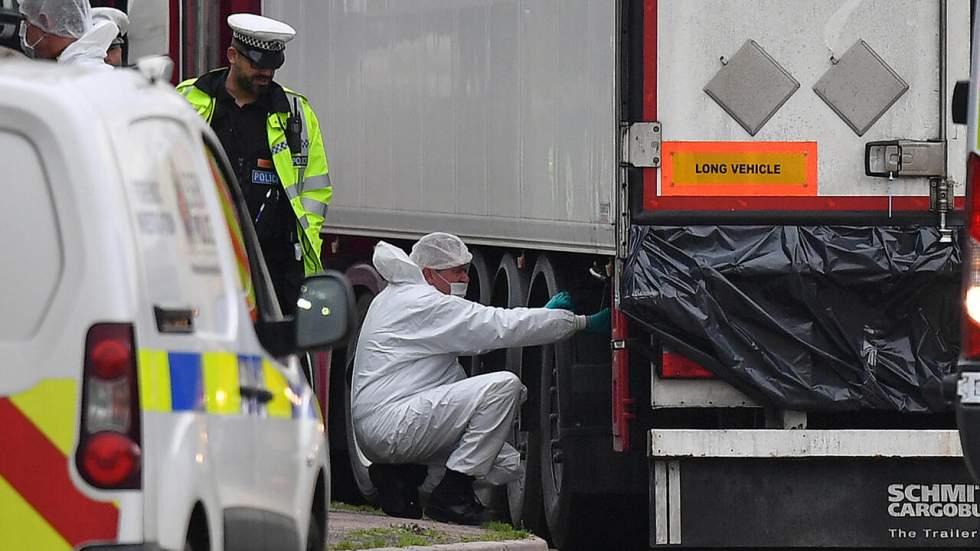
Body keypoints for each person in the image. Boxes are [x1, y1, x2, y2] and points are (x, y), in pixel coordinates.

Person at [351, 233, 610, 525]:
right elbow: (495, 326)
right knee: (503, 388)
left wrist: (540, 316)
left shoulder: (397, 296)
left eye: (466, 269)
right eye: (457, 271)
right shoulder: (422, 302)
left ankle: (404, 480)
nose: (466, 277)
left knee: (505, 463)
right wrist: (580, 322)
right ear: (428, 273)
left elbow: (475, 338)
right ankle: (451, 497)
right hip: (392, 425)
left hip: (387, 426)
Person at [177, 14, 331, 315]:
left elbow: (316, 187)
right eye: (257, 63)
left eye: (273, 65)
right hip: (202, 261)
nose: (266, 72)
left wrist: (303, 239)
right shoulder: (186, 101)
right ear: (232, 55)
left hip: (274, 265)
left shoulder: (296, 112)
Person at [18, 0, 115, 69]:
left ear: (45, 23)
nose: (24, 29)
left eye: (26, 21)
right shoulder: (85, 66)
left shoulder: (75, 77)